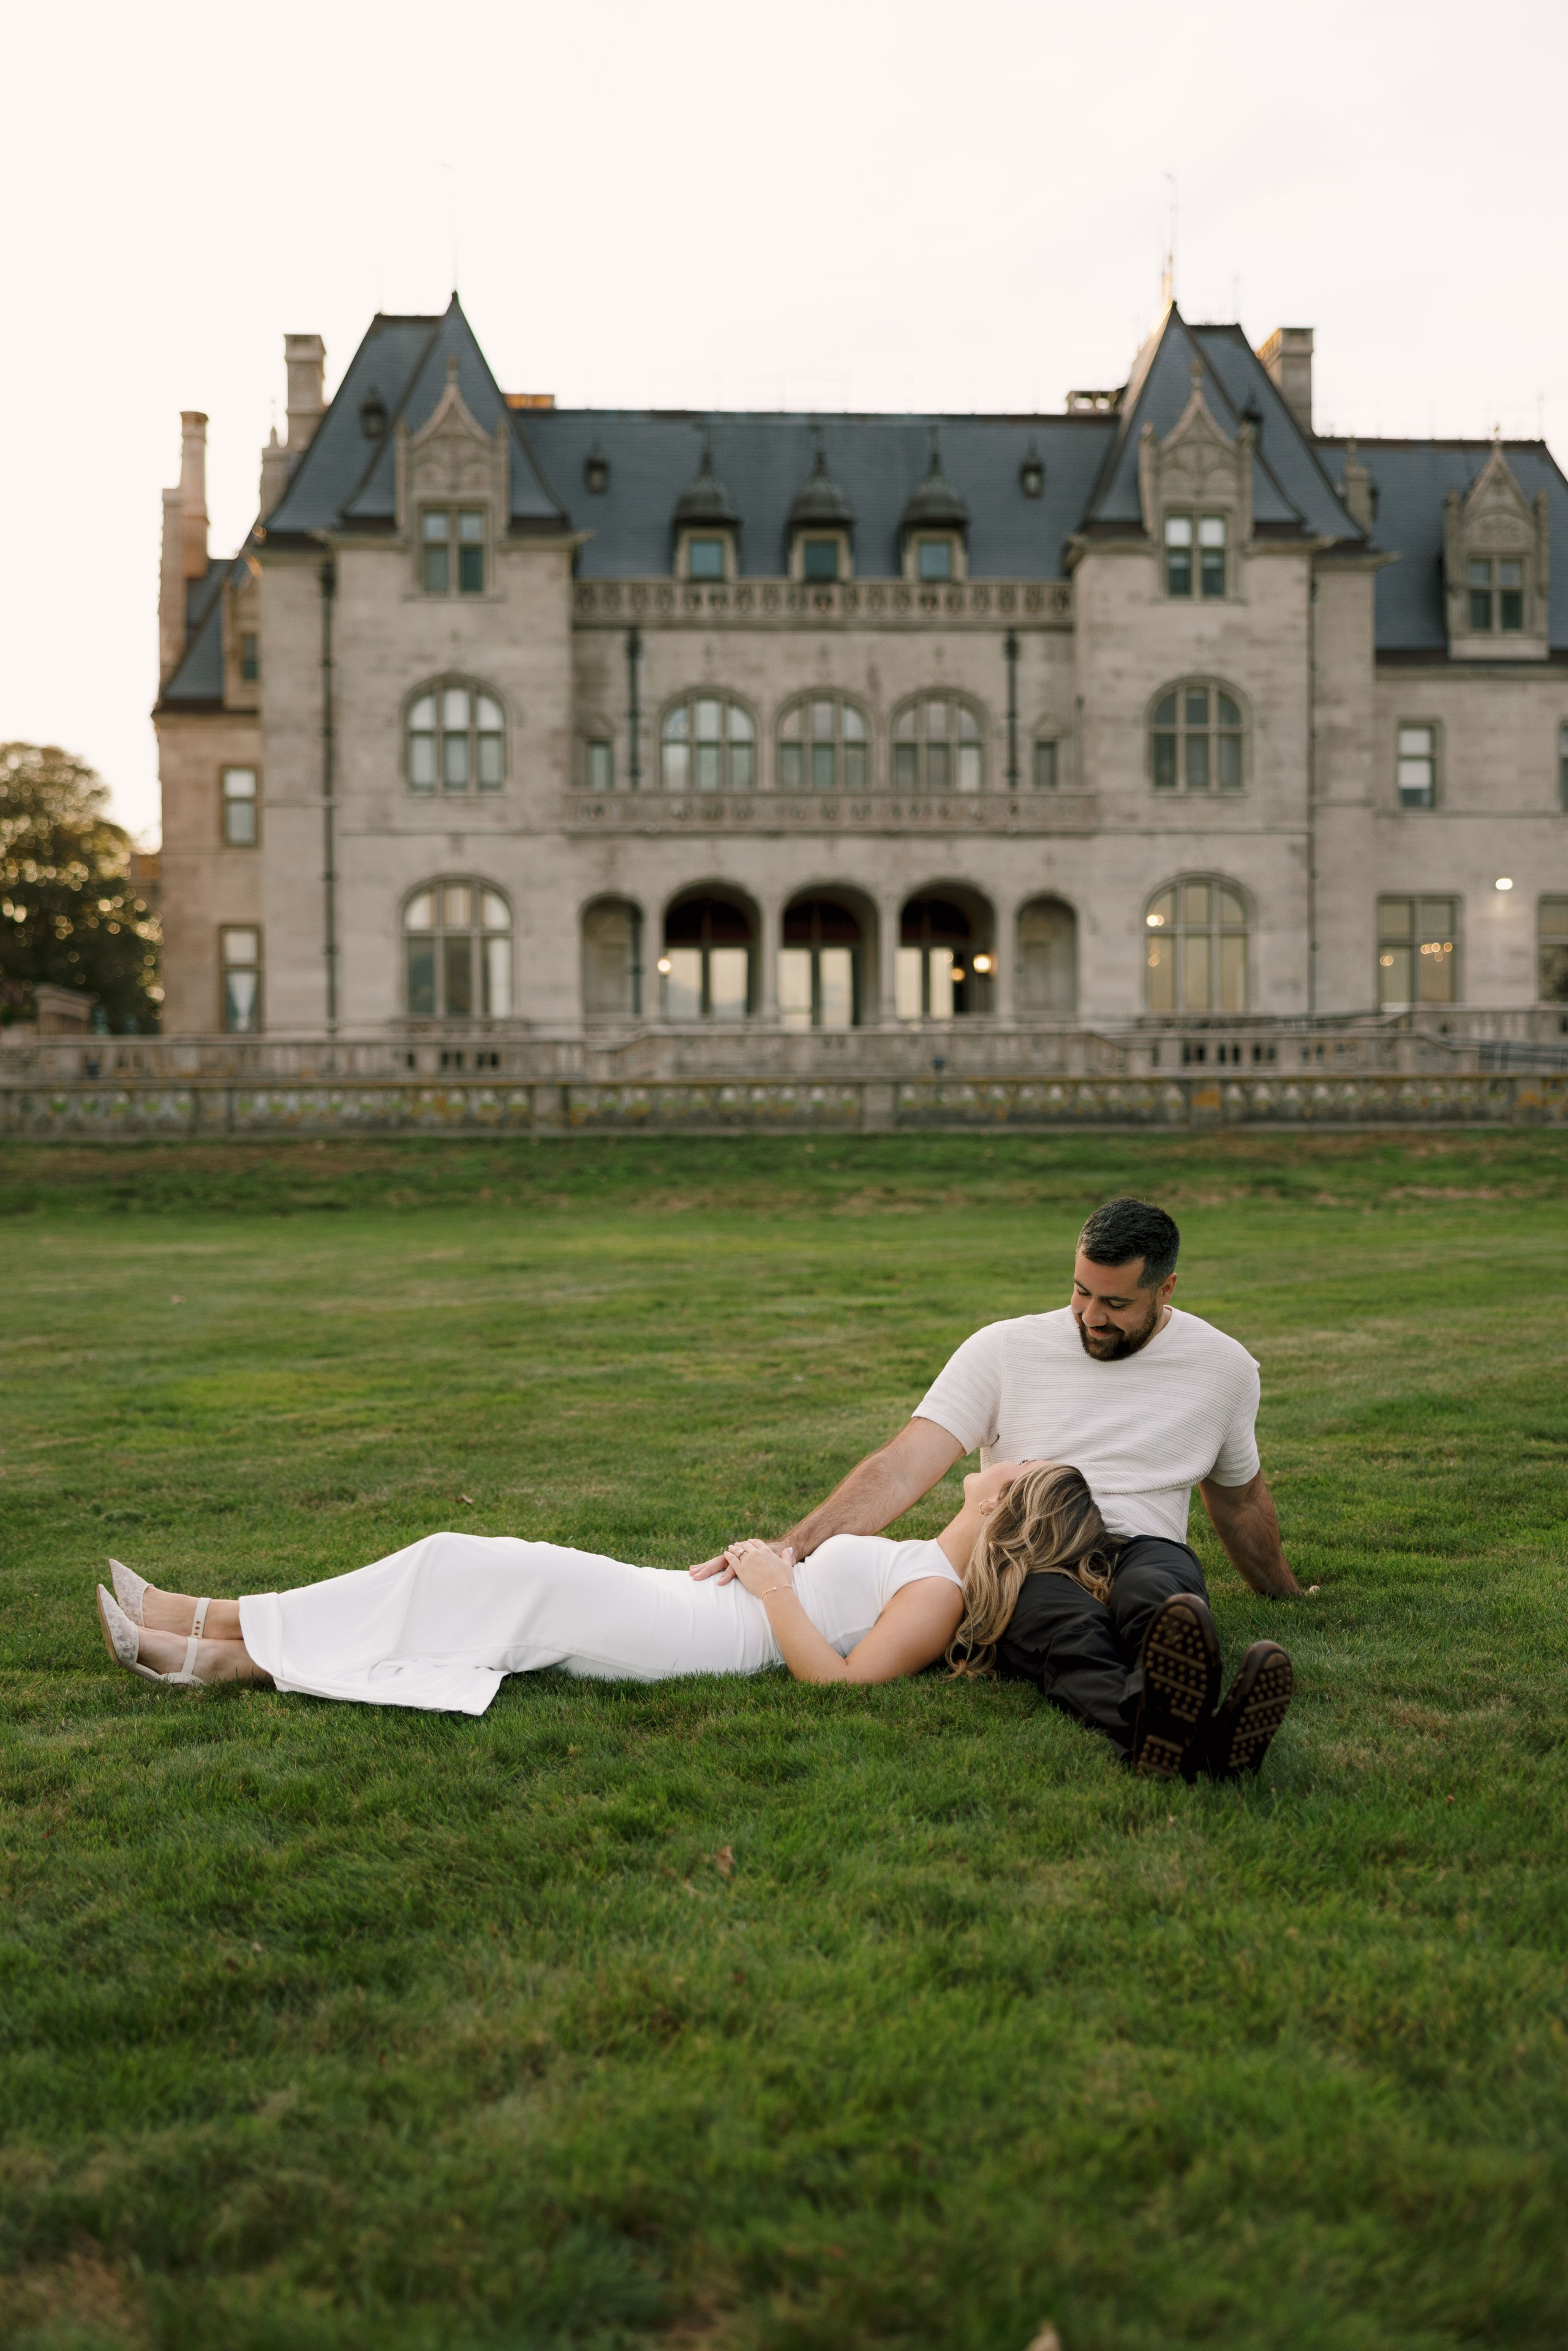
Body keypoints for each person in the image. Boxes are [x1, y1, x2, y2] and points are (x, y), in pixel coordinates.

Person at [691, 1196, 1296, 1779]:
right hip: (1031, 1546)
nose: (1090, 1315)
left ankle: (1160, 1735)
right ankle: (1196, 1744)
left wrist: (1286, 1591)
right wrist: (791, 1546)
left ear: (1165, 1289)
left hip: (1145, 1543)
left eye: (1114, 1302)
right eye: (1081, 1291)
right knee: (1064, 1630)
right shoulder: (1004, 1348)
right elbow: (903, 1465)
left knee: (1162, 1599)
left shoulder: (1225, 1367)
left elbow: (1239, 1500)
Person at [95, 1458, 1122, 1715]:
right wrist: (775, 1566)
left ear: (1006, 1505)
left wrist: (773, 1587)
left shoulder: (941, 1592)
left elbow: (843, 1685)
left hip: (697, 1635)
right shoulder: (927, 1559)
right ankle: (207, 1631)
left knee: (462, 1563)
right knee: (460, 1565)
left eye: (1012, 1468)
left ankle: (210, 1636)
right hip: (683, 1598)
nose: (996, 1459)